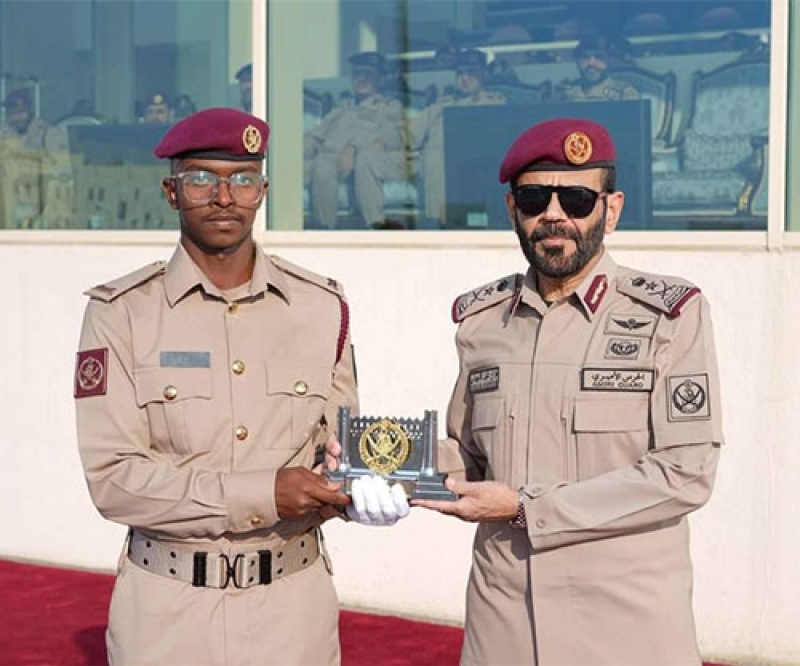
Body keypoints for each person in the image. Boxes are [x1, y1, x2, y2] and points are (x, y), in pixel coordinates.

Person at [73, 107, 405, 665]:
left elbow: (340, 451)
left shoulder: (322, 308)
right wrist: (262, 492)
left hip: (292, 612)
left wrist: (361, 491)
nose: (224, 196)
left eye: (242, 179)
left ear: (263, 191)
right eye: (201, 177)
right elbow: (114, 482)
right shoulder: (121, 314)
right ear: (171, 191)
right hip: (167, 616)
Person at [413, 118, 723, 665]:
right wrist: (382, 467)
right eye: (535, 198)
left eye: (577, 198)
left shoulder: (668, 316)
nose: (554, 214)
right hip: (502, 620)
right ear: (513, 210)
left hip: (624, 626)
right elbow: (468, 457)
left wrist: (528, 507)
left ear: (612, 208)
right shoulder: (482, 322)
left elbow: (686, 472)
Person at [304, 51, 405, 229]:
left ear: (380, 79)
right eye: (357, 74)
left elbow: (394, 140)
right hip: (326, 157)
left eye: (368, 74)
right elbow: (315, 135)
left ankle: (324, 230)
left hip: (353, 163)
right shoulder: (342, 108)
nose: (361, 79)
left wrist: (355, 149)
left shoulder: (388, 107)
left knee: (323, 166)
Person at [409, 49, 505, 226]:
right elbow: (410, 137)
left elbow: (498, 140)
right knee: (433, 151)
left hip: (477, 165)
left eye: (472, 72)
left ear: (484, 74)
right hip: (439, 168)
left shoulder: (495, 102)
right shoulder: (441, 105)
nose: (465, 78)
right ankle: (436, 222)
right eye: (460, 73)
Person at [0, 87, 68, 228]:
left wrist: (27, 163)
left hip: (40, 200)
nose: (16, 117)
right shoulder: (4, 132)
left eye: (21, 112)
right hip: (8, 201)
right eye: (11, 113)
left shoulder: (49, 133)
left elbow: (62, 169)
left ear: (30, 109)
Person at [559, 35, 638, 102]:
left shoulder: (623, 92)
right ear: (577, 61)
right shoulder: (566, 93)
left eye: (599, 57)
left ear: (609, 61)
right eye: (585, 57)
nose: (591, 63)